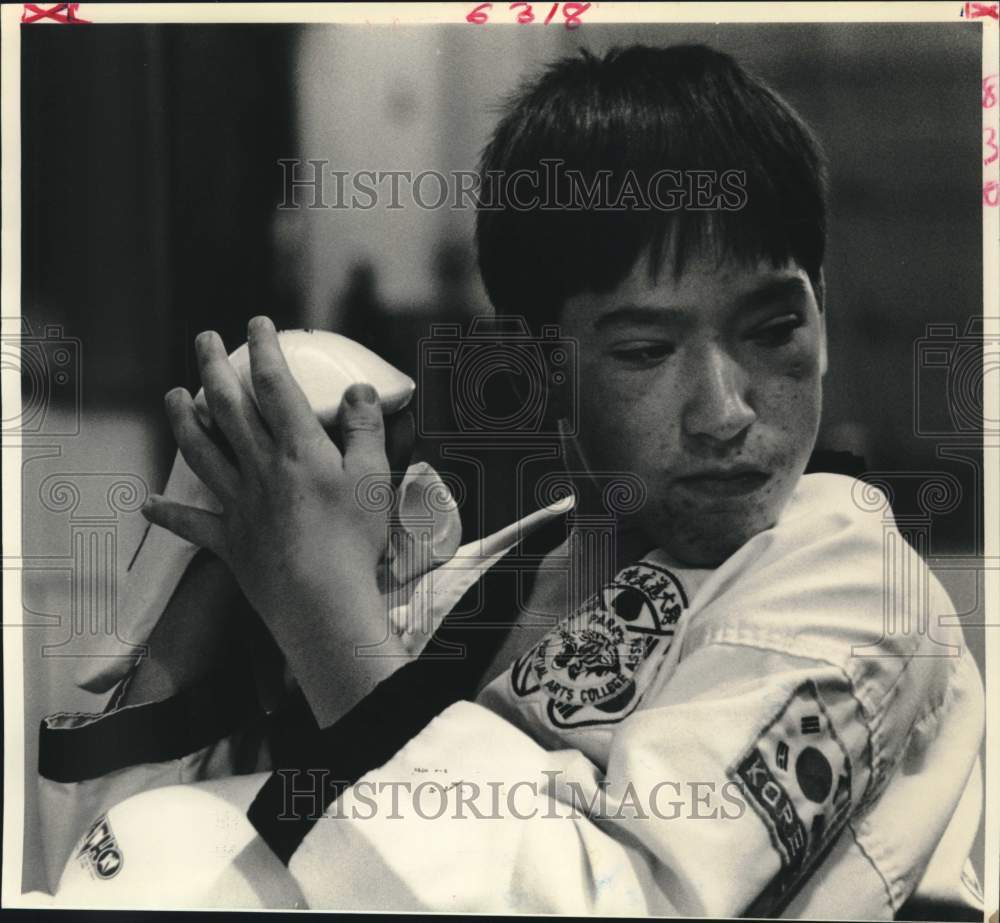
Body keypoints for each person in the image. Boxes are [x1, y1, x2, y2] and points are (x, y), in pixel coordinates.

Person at [35, 44, 984, 918]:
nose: (726, 409)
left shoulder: (851, 580)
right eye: (649, 349)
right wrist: (244, 519)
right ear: (540, 363)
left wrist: (327, 614)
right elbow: (149, 857)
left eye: (775, 329)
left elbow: (611, 902)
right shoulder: (502, 577)